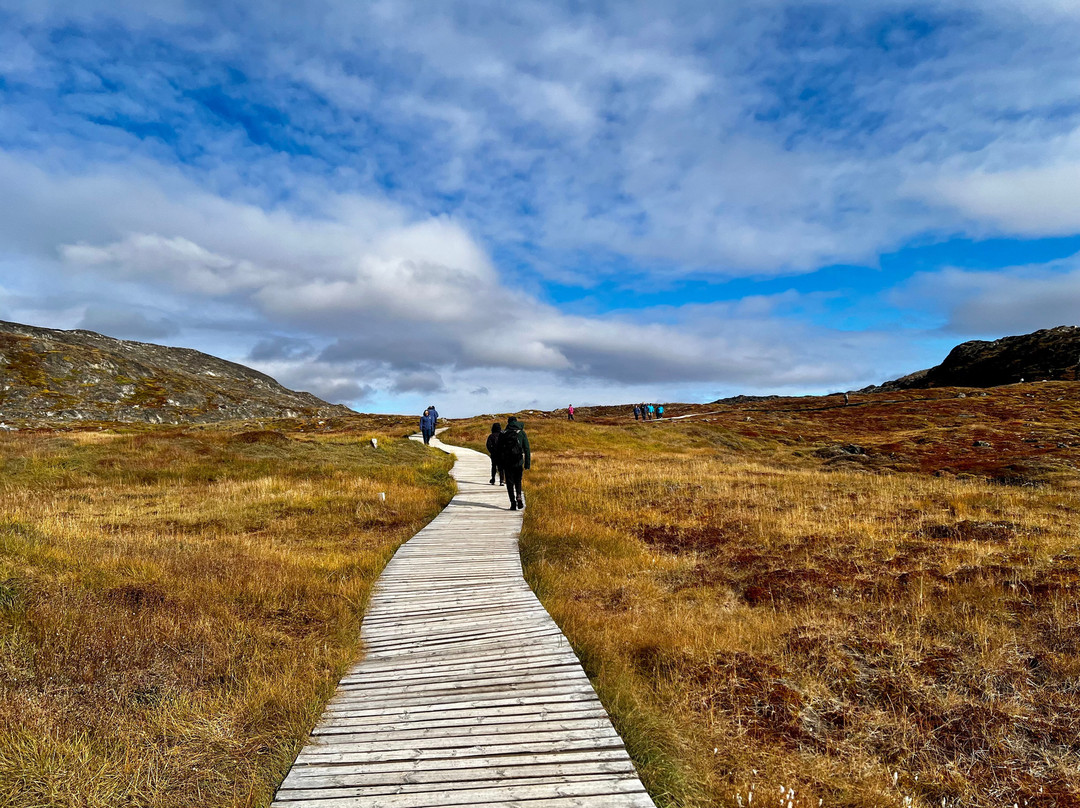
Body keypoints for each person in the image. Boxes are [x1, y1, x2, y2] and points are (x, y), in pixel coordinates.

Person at [496, 416, 531, 511]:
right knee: (518, 480)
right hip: (518, 461)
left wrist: (499, 464)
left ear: (508, 423)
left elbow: (498, 450)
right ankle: (519, 496)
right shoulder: (521, 433)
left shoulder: (503, 433)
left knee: (510, 482)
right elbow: (527, 448)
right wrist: (527, 463)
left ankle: (512, 503)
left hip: (507, 462)